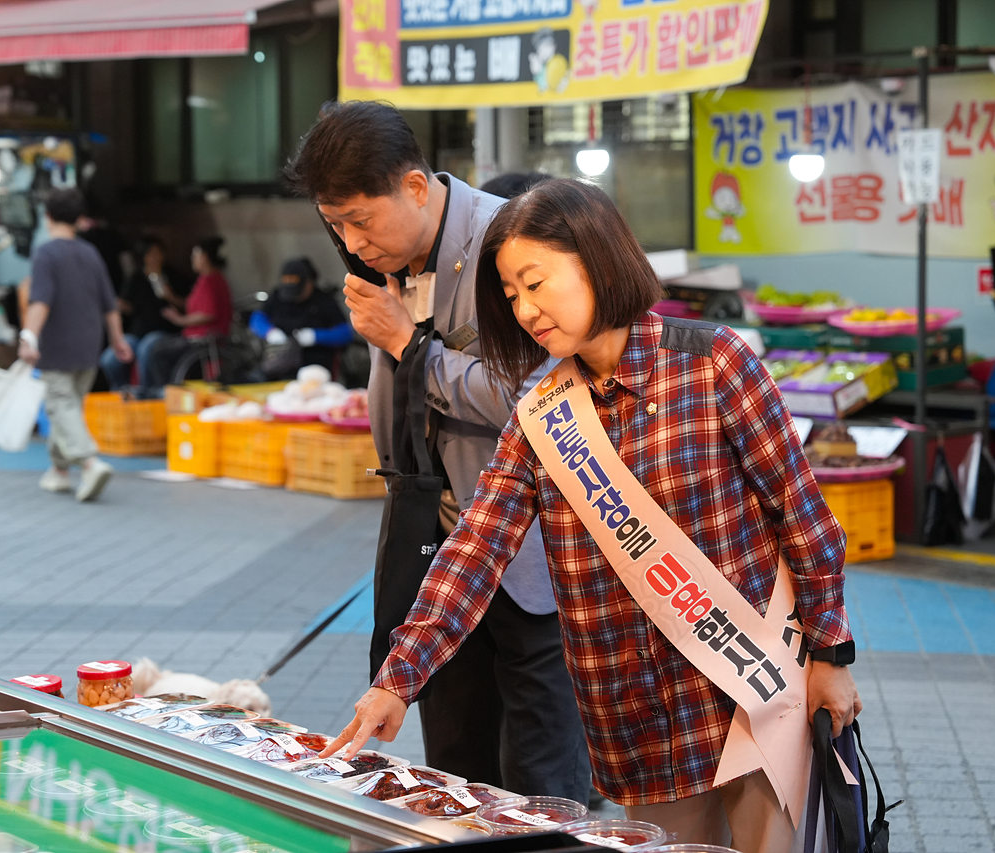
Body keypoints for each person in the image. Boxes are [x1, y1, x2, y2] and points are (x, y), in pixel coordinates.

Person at [321, 179, 861, 853]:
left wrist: (832, 653)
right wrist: (398, 680)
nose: (524, 309)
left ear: (595, 257)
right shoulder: (542, 414)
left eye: (535, 282)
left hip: (750, 701)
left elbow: (801, 513)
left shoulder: (712, 362)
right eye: (511, 294)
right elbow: (475, 548)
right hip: (636, 721)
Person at [285, 100, 591, 802]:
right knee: (454, 766)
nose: (352, 241)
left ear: (416, 187)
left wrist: (407, 345)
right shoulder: (387, 261)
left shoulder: (508, 243)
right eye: (336, 225)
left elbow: (539, 404)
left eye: (361, 219)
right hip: (440, 542)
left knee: (543, 776)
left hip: (531, 548)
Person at [19, 187, 132, 503]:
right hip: (89, 344)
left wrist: (28, 336)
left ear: (48, 217)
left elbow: (40, 301)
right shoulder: (90, 253)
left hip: (57, 347)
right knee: (67, 410)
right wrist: (118, 340)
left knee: (61, 406)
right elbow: (109, 304)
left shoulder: (46, 254)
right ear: (80, 220)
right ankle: (59, 472)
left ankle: (89, 463)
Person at [143, 236, 234, 394]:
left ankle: (163, 392)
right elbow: (192, 304)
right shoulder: (205, 279)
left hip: (205, 339)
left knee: (157, 350)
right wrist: (171, 298)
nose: (192, 259)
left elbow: (208, 314)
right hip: (195, 337)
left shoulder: (211, 280)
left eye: (195, 255)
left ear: (205, 257)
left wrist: (180, 320)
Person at [100, 236, 184, 390]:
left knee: (146, 349)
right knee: (109, 359)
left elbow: (186, 305)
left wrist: (170, 296)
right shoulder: (136, 278)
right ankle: (122, 392)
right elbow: (128, 307)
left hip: (164, 332)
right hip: (137, 334)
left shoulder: (172, 275)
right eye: (151, 254)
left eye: (159, 253)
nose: (155, 257)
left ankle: (145, 394)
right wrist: (116, 303)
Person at [250, 258, 353, 377]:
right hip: (280, 366)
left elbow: (346, 333)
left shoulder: (324, 301)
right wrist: (269, 332)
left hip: (316, 367)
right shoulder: (277, 296)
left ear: (309, 283)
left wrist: (316, 336)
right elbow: (257, 318)